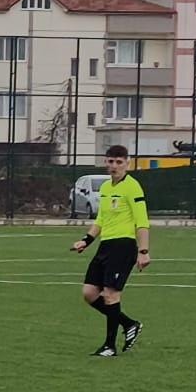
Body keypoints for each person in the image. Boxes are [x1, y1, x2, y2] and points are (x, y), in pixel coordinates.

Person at [72, 145, 150, 357]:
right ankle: (129, 324)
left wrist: (143, 251)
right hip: (105, 245)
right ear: (106, 162)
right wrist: (86, 240)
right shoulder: (106, 187)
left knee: (111, 295)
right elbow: (101, 219)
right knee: (89, 293)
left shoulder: (132, 187)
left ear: (127, 163)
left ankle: (109, 346)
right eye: (111, 161)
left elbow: (142, 221)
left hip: (123, 246)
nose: (114, 166)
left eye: (119, 162)